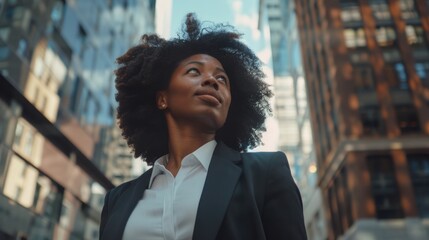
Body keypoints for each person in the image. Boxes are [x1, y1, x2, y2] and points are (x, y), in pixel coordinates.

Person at [99, 13, 307, 240]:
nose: (212, 81)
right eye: (194, 71)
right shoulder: (117, 200)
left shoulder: (266, 174)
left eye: (222, 79)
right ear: (162, 99)